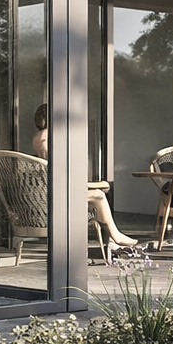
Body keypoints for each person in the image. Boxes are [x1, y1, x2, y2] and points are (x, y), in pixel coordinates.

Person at [31, 103, 137, 257]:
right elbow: (58, 171)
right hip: (58, 196)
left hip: (49, 192)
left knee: (100, 190)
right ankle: (115, 237)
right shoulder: (49, 138)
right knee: (100, 193)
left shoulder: (38, 138)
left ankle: (113, 240)